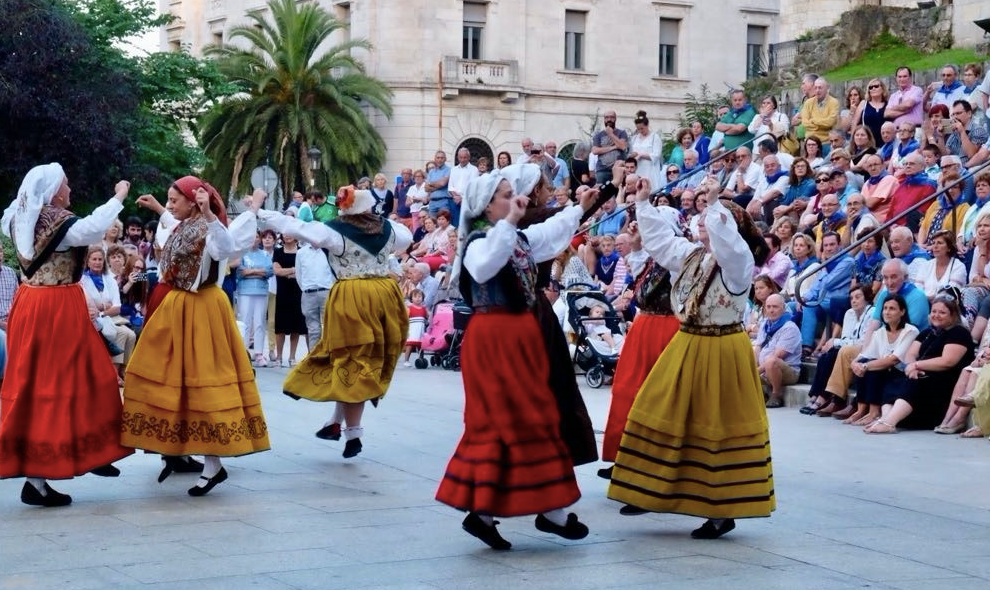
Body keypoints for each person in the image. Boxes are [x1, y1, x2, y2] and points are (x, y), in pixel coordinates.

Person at [435, 171, 595, 550]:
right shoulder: (477, 241)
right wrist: (508, 223)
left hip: (520, 337)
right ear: (487, 205)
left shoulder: (519, 237)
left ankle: (487, 514)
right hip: (495, 339)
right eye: (506, 196)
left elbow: (551, 232)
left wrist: (581, 208)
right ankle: (549, 512)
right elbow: (485, 267)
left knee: (529, 415)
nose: (515, 199)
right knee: (508, 418)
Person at [608, 177, 774, 539]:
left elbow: (730, 247)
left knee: (716, 426)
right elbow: (660, 242)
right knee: (656, 408)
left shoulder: (738, 262)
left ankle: (720, 510)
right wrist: (643, 203)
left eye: (713, 216)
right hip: (687, 343)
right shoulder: (692, 255)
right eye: (702, 214)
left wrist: (716, 204)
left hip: (721, 349)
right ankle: (648, 487)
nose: (704, 218)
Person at [121, 178, 267, 496]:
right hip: (177, 306)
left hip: (202, 308)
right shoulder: (183, 224)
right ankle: (175, 449)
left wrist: (211, 214)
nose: (170, 204)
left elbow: (224, 248)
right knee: (167, 381)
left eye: (175, 199)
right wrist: (162, 209)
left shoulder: (210, 227)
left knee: (203, 384)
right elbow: (172, 224)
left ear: (192, 201)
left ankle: (212, 465)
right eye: (168, 199)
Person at [0, 164, 133, 506]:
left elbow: (15, 210)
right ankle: (48, 473)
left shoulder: (17, 218)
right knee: (69, 382)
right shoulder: (59, 224)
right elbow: (93, 228)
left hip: (31, 303)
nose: (70, 190)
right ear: (55, 191)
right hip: (56, 308)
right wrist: (118, 196)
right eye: (67, 184)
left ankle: (91, 452)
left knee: (67, 381)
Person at [258, 186, 412, 459]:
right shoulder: (390, 228)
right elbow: (406, 239)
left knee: (352, 360)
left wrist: (259, 212)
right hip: (385, 294)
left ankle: (353, 432)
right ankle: (335, 423)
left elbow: (295, 226)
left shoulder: (334, 231)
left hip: (353, 295)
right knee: (364, 358)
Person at [599, 205, 682, 480]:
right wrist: (636, 244)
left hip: (666, 329)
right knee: (626, 391)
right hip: (644, 328)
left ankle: (646, 462)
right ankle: (623, 455)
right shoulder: (656, 258)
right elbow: (637, 269)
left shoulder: (678, 256)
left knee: (653, 397)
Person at [864, 293, 974, 433]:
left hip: (942, 383)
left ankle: (889, 422)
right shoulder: (928, 332)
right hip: (922, 377)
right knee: (895, 382)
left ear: (953, 316)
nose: (936, 315)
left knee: (915, 382)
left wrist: (917, 365)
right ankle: (886, 418)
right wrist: (912, 367)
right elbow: (911, 354)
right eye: (933, 311)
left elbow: (948, 361)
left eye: (942, 312)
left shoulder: (958, 333)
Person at [848, 294, 921, 427]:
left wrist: (864, 366)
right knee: (865, 362)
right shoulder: (880, 332)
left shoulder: (911, 331)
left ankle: (874, 412)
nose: (887, 312)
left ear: (902, 311)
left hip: (901, 374)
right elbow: (866, 353)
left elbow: (894, 360)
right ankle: (861, 409)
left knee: (872, 368)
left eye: (892, 308)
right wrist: (855, 363)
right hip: (885, 371)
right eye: (885, 308)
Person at [755, 294, 803, 408]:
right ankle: (761, 394)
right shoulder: (765, 324)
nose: (771, 310)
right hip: (764, 369)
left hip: (788, 371)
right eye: (769, 307)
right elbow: (758, 348)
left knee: (772, 361)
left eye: (775, 307)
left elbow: (778, 355)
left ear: (783, 308)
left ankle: (776, 394)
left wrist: (754, 373)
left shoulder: (789, 327)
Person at [272, 234, 307, 367]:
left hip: (298, 292)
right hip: (282, 292)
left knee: (296, 327)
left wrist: (287, 272)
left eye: (290, 233)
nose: (287, 236)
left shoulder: (301, 252)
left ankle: (292, 357)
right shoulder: (278, 251)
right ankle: (279, 357)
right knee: (280, 327)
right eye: (285, 233)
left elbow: (304, 271)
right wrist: (293, 270)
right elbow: (277, 271)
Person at [403, 289, 428, 367]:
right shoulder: (409, 308)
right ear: (411, 298)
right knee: (410, 345)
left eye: (420, 296)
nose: (418, 298)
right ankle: (406, 360)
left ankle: (421, 359)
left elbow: (428, 317)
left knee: (421, 346)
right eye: (415, 296)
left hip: (421, 330)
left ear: (423, 298)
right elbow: (405, 318)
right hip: (412, 330)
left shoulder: (424, 308)